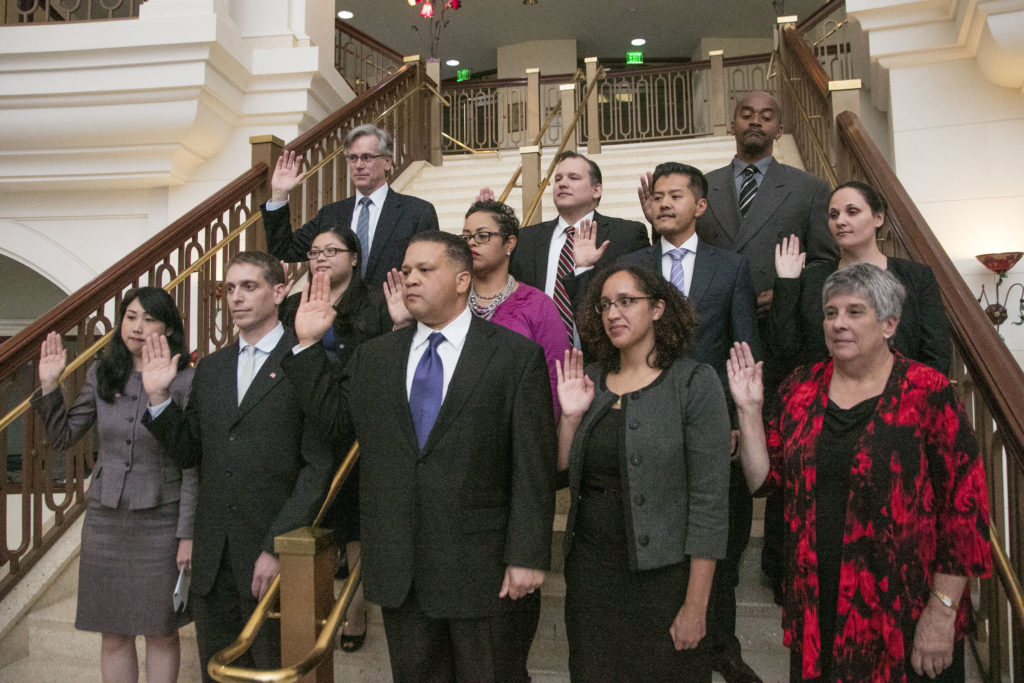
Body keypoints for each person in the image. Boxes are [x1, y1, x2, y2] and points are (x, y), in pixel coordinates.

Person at [281, 231, 557, 683]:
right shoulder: (376, 357)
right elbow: (336, 423)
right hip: (401, 570)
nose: (410, 279)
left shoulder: (513, 356)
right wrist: (309, 346)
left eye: (425, 270)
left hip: (483, 571)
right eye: (406, 270)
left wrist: (527, 554)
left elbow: (533, 466)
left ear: (463, 279)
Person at [727, 263, 991, 682]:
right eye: (831, 313)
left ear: (889, 325)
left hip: (907, 615)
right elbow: (764, 481)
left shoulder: (928, 391)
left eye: (854, 312)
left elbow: (965, 512)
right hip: (819, 611)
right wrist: (749, 409)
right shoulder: (799, 388)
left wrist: (942, 612)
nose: (838, 323)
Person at [141, 252, 334, 682]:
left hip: (271, 556)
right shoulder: (211, 367)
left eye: (249, 287)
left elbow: (317, 466)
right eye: (229, 289)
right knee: (219, 672)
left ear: (280, 291)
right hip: (213, 560)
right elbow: (192, 453)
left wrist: (277, 544)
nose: (236, 298)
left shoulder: (303, 357)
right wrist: (158, 401)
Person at [620, 162, 762, 680]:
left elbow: (743, 346)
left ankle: (721, 643)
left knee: (716, 538)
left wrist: (735, 419)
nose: (662, 204)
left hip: (711, 422)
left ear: (699, 205)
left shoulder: (731, 267)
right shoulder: (633, 264)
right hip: (645, 418)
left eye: (675, 195)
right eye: (656, 196)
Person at [555, 265, 731, 682]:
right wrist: (569, 418)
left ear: (657, 309)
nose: (613, 313)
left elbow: (710, 502)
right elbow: (561, 470)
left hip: (665, 582)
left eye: (626, 302)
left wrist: (696, 606)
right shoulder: (590, 380)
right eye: (604, 305)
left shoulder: (694, 382)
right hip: (592, 576)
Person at [31, 287, 197, 683]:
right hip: (106, 520)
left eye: (149, 318)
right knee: (113, 632)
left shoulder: (187, 379)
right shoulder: (102, 372)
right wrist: (50, 385)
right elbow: (64, 437)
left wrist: (187, 534)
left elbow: (193, 463)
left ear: (169, 327)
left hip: (162, 520)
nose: (137, 327)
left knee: (160, 632)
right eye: (130, 317)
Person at [278, 226, 392, 652]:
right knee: (316, 519)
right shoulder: (293, 303)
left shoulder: (378, 303)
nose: (320, 258)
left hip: (358, 431)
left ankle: (355, 607)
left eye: (331, 250)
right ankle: (317, 604)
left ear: (356, 257)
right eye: (313, 251)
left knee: (355, 522)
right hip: (303, 424)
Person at [769, 180, 951, 375]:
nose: (840, 221)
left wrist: (914, 397)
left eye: (852, 212)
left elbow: (936, 354)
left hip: (903, 398)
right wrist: (787, 283)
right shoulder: (813, 278)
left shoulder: (916, 276)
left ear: (878, 217)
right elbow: (783, 351)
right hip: (826, 397)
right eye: (833, 215)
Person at [484, 151, 650, 346]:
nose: (562, 184)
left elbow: (645, 291)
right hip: (538, 360)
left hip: (602, 358)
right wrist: (487, 226)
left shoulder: (626, 235)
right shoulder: (526, 238)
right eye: (558, 179)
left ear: (596, 190)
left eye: (573, 178)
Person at [261, 124, 439, 287]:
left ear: (387, 162)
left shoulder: (417, 212)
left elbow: (429, 272)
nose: (359, 165)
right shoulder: (330, 214)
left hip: (393, 317)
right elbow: (283, 250)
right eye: (353, 158)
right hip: (337, 317)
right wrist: (279, 194)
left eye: (367, 157)